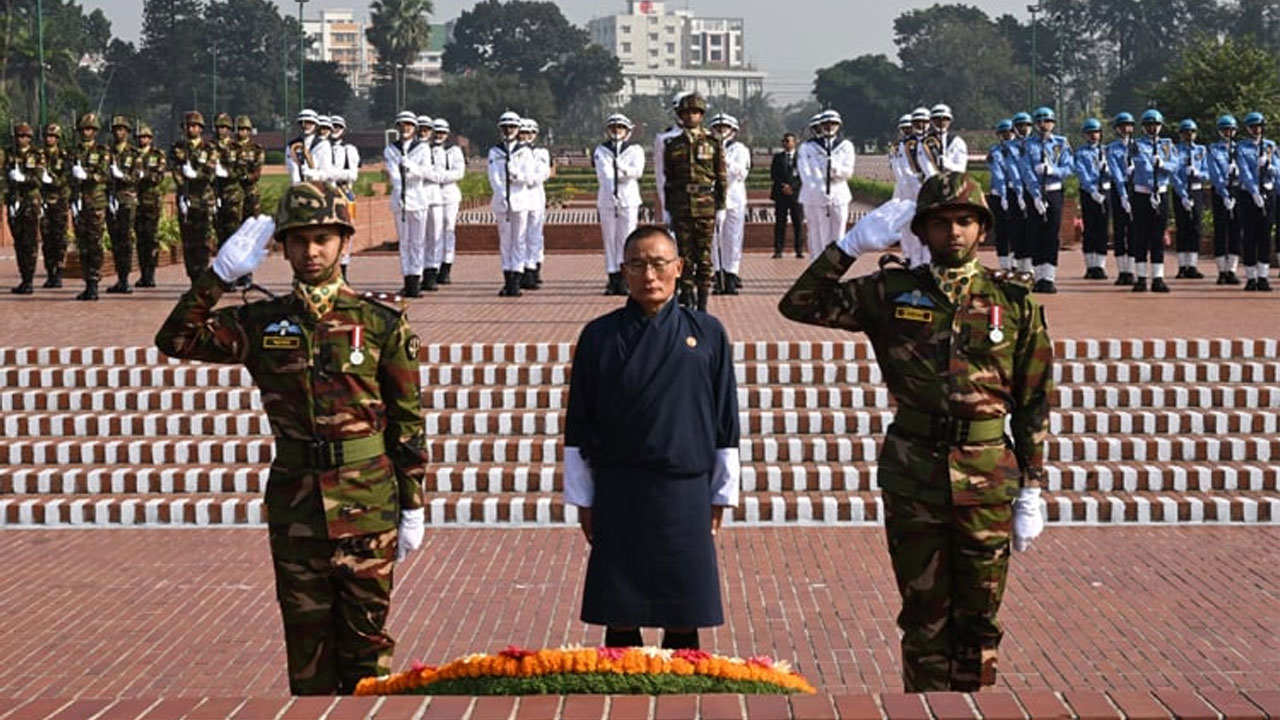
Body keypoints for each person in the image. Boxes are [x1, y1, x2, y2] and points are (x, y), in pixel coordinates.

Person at [778, 171, 1051, 693]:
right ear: (921, 230)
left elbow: (1034, 399)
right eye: (941, 222)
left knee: (979, 615)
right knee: (924, 614)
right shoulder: (891, 291)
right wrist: (849, 246)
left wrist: (1033, 489)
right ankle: (925, 708)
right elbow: (799, 303)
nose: (954, 232)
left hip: (987, 476)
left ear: (982, 229)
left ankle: (974, 706)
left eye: (965, 221)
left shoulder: (1012, 300)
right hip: (915, 474)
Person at [155, 182, 429, 695]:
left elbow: (407, 419)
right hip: (297, 505)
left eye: (323, 238)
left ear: (344, 242)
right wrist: (217, 277)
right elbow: (176, 338)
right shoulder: (261, 322)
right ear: (281, 246)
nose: (311, 251)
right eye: (299, 240)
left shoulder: (379, 321)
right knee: (308, 652)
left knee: (367, 648)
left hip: (367, 504)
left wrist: (412, 503)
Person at [564, 224, 740, 651]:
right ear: (622, 270)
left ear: (679, 267)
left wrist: (722, 493)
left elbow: (725, 419)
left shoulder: (708, 332)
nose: (649, 275)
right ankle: (619, 688)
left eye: (659, 264)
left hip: (685, 489)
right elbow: (579, 422)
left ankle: (683, 684)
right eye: (638, 265)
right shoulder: (600, 336)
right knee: (620, 613)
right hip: (620, 488)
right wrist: (583, 499)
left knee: (683, 614)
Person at [663, 93, 726, 311]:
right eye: (687, 113)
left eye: (696, 112)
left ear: (701, 115)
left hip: (706, 205)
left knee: (704, 256)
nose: (691, 116)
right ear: (680, 116)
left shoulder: (713, 142)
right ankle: (687, 297)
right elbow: (669, 179)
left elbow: (721, 176)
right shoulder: (672, 144)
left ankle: (703, 303)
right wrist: (668, 208)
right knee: (685, 256)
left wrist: (721, 206)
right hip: (681, 206)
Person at [1017, 107, 1073, 293]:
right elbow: (1026, 171)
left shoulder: (1061, 143)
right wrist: (1035, 195)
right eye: (1040, 121)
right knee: (1035, 233)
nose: (1044, 125)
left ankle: (1049, 277)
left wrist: (1052, 170)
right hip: (1034, 193)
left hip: (1054, 190)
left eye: (1047, 121)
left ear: (1053, 124)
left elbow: (1068, 168)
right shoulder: (1027, 145)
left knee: (1051, 233)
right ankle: (1038, 276)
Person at [594, 113, 645, 296]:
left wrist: (621, 170)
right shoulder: (601, 150)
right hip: (608, 199)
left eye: (621, 128)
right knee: (609, 239)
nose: (617, 131)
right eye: (614, 128)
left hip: (628, 199)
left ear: (627, 131)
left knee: (627, 239)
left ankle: (626, 278)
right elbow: (604, 174)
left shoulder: (635, 149)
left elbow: (637, 171)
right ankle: (612, 276)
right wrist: (620, 174)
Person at [797, 109, 856, 259]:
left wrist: (834, 170)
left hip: (839, 194)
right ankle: (820, 265)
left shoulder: (846, 146)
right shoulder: (808, 147)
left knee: (839, 234)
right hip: (818, 195)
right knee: (820, 235)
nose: (829, 127)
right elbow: (806, 173)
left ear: (839, 126)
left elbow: (848, 171)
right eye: (826, 124)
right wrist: (820, 189)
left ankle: (836, 266)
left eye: (833, 123)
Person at [169, 110, 219, 284]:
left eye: (195, 126)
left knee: (204, 241)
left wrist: (195, 175)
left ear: (201, 128)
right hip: (186, 198)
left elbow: (210, 173)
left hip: (204, 199)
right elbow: (175, 170)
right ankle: (193, 278)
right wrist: (183, 186)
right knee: (188, 241)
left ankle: (202, 276)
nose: (191, 129)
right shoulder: (177, 148)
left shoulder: (209, 148)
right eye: (188, 126)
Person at [1129, 109, 1176, 292]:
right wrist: (1151, 184)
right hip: (1143, 193)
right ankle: (1141, 278)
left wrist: (1163, 164)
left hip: (1161, 193)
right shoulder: (1137, 145)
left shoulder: (1167, 145)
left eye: (1156, 125)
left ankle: (1158, 277)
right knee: (1141, 236)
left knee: (1157, 236)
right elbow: (1141, 165)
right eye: (1149, 125)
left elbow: (1175, 164)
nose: (1152, 128)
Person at [489, 111, 535, 297]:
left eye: (512, 127)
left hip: (520, 200)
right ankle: (507, 279)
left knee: (519, 241)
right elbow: (493, 176)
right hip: (502, 201)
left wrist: (516, 175)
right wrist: (501, 193)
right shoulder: (495, 151)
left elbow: (530, 177)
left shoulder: (525, 151)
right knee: (505, 242)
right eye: (505, 127)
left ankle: (516, 280)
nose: (509, 130)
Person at [69, 112, 113, 301]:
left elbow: (103, 174)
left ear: (95, 131)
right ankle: (87, 282)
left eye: (89, 129)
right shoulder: (73, 152)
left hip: (95, 202)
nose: (86, 132)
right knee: (82, 244)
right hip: (79, 203)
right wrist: (72, 196)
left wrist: (85, 175)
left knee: (94, 243)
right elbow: (67, 175)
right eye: (83, 129)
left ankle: (94, 283)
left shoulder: (102, 151)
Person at [710, 113, 750, 295]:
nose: (721, 131)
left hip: (734, 198)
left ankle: (731, 273)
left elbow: (740, 173)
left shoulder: (740, 149)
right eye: (717, 128)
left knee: (733, 237)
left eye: (724, 128)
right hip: (713, 198)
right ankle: (718, 274)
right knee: (714, 238)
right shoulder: (707, 147)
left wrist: (723, 160)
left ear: (732, 131)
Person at [1236, 111, 1275, 291]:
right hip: (1248, 195)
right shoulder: (1241, 147)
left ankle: (1263, 277)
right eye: (1253, 127)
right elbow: (1244, 172)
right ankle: (1251, 277)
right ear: (1248, 128)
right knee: (1249, 236)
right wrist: (1254, 192)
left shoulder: (1270, 146)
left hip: (1267, 192)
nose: (1256, 129)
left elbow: (1278, 169)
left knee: (1265, 235)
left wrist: (1269, 165)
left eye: (1259, 126)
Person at [6, 123, 43, 294]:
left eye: (25, 136)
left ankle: (29, 280)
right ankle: (23, 278)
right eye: (19, 136)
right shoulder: (9, 154)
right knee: (19, 242)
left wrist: (23, 178)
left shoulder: (36, 155)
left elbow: (38, 179)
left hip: (30, 202)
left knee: (29, 242)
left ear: (30, 138)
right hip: (15, 202)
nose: (22, 139)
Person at [105, 115, 140, 294]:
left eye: (122, 130)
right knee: (115, 240)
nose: (118, 133)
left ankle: (125, 279)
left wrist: (121, 176)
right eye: (116, 130)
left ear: (127, 132)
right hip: (111, 200)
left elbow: (136, 177)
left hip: (127, 200)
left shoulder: (134, 154)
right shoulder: (106, 152)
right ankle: (120, 278)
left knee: (125, 240)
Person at [1207, 115, 1243, 285]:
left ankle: (1232, 270)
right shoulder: (1214, 150)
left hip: (1238, 190)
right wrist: (1224, 193)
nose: (1228, 132)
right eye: (1225, 130)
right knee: (1220, 231)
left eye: (1231, 129)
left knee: (1236, 230)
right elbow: (1214, 174)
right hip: (1220, 192)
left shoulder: (1241, 149)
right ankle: (1221, 270)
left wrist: (1238, 173)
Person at [1073, 118, 1111, 280]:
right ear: (1085, 135)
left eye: (1096, 132)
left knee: (1102, 228)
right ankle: (1090, 266)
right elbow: (1082, 173)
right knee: (1089, 229)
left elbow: (1117, 171)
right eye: (1090, 133)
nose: (1093, 135)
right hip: (1089, 193)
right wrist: (1092, 190)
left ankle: (1100, 266)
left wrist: (1107, 169)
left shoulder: (1107, 151)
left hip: (1105, 192)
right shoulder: (1081, 152)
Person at [1171, 119, 1208, 279]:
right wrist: (1183, 194)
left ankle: (1192, 265)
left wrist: (1197, 173)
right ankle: (1181, 266)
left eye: (1192, 132)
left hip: (1197, 190)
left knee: (1195, 227)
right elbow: (1173, 173)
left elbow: (1207, 172)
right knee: (1182, 227)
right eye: (1186, 132)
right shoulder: (1175, 150)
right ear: (1181, 134)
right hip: (1181, 191)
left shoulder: (1201, 150)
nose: (1189, 135)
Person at [412, 113, 445, 292]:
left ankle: (431, 273)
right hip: (416, 197)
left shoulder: (437, 151)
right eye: (421, 129)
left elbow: (439, 175)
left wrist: (420, 172)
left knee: (434, 237)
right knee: (417, 239)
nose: (423, 132)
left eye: (427, 129)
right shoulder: (412, 149)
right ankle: (416, 275)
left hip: (433, 197)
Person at [431, 118, 465, 285]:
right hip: (432, 193)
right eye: (437, 132)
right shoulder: (426, 149)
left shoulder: (454, 150)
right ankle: (433, 266)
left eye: (442, 132)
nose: (439, 135)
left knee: (448, 229)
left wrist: (440, 176)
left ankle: (446, 266)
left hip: (449, 193)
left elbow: (459, 172)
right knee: (433, 231)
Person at [1105, 112, 1138, 285]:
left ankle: (1130, 270)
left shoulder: (1139, 146)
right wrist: (1123, 194)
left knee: (1134, 229)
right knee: (1119, 229)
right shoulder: (1112, 148)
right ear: (1117, 129)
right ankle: (1121, 271)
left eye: (1129, 125)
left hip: (1136, 188)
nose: (1126, 128)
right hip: (1119, 188)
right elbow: (1115, 171)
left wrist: (1136, 170)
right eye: (1122, 126)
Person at [327, 115, 360, 283]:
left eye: (338, 127)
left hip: (344, 194)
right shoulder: (322, 148)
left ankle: (344, 268)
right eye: (332, 126)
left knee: (347, 232)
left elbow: (353, 174)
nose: (335, 129)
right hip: (327, 194)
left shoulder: (349, 150)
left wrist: (331, 174)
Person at [518, 118, 551, 289]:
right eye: (523, 132)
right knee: (520, 235)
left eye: (530, 132)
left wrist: (527, 179)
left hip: (535, 195)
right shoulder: (515, 152)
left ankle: (534, 267)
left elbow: (543, 173)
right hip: (520, 195)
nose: (526, 136)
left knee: (535, 235)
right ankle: (522, 269)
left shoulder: (541, 152)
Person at [134, 124, 167, 288]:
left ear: (151, 139)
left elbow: (158, 176)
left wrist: (144, 175)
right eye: (141, 137)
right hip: (136, 201)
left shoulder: (157, 155)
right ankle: (143, 274)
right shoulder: (133, 154)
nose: (143, 140)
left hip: (151, 200)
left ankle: (151, 274)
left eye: (146, 137)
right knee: (140, 239)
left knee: (151, 237)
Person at [40, 123, 72, 289]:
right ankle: (50, 272)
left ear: (58, 139)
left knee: (59, 238)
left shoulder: (64, 156)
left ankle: (59, 272)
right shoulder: (38, 155)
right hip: (44, 201)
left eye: (52, 136)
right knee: (46, 239)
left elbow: (66, 177)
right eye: (47, 136)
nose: (49, 139)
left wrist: (51, 180)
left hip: (59, 201)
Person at [986, 119, 1020, 271]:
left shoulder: (1020, 149)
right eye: (1003, 132)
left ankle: (1016, 260)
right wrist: (1003, 194)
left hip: (1016, 191)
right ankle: (1004, 263)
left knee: (1017, 228)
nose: (1007, 135)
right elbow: (998, 174)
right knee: (1001, 229)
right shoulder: (995, 151)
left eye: (1010, 132)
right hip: (998, 193)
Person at [653, 91, 690, 227]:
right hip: (676, 200)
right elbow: (661, 177)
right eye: (679, 111)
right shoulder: (664, 139)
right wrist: (666, 205)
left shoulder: (709, 138)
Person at [213, 113, 245, 254]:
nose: (221, 130)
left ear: (229, 129)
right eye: (218, 127)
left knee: (234, 230)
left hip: (232, 194)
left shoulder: (236, 148)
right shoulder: (210, 147)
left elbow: (241, 170)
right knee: (219, 231)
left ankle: (235, 261)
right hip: (214, 193)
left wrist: (227, 173)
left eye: (224, 127)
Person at [770, 132, 805, 258]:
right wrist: (783, 186)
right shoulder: (778, 157)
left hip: (796, 195)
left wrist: (792, 187)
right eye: (783, 141)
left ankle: (799, 250)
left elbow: (803, 175)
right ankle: (778, 250)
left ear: (794, 143)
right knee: (780, 223)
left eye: (788, 141)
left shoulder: (801, 158)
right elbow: (774, 174)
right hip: (781, 194)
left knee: (798, 223)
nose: (785, 143)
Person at [918, 103, 968, 174]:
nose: (941, 122)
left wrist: (947, 165)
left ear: (950, 121)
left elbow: (961, 168)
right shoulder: (924, 142)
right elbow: (924, 166)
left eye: (945, 119)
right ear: (932, 121)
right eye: (937, 119)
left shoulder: (958, 142)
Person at [286, 109, 330, 185]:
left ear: (316, 125)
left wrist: (312, 175)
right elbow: (292, 169)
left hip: (318, 186)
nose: (304, 125)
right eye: (301, 122)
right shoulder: (291, 145)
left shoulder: (323, 144)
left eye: (309, 122)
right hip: (297, 185)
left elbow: (326, 172)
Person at [236, 115, 267, 218]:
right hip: (234, 190)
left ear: (249, 131)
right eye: (240, 129)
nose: (241, 132)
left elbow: (257, 171)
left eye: (244, 129)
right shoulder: (231, 147)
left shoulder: (256, 149)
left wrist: (247, 176)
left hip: (251, 191)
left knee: (253, 221)